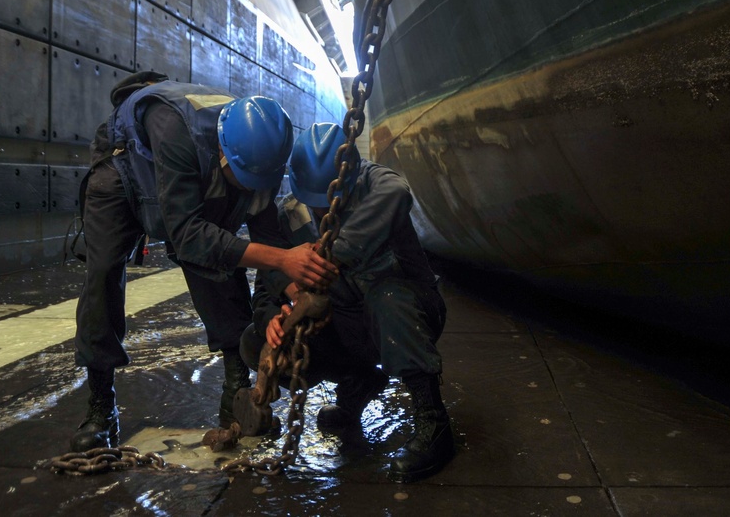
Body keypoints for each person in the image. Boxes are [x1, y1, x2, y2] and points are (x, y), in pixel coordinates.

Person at [70, 72, 338, 452]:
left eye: (256, 183)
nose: (248, 190)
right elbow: (188, 237)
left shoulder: (261, 151)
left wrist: (292, 294)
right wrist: (283, 259)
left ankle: (235, 391)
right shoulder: (177, 133)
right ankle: (100, 407)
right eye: (242, 179)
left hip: (193, 167)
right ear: (224, 151)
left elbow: (264, 239)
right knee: (103, 276)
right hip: (125, 169)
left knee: (222, 252)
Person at [238, 122, 454, 482]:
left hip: (406, 316)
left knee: (388, 299)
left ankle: (433, 421)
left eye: (331, 201)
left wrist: (332, 255)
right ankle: (357, 382)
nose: (324, 213)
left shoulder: (377, 184)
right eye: (315, 202)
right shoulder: (288, 214)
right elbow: (268, 283)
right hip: (348, 326)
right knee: (253, 341)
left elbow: (398, 192)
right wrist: (273, 316)